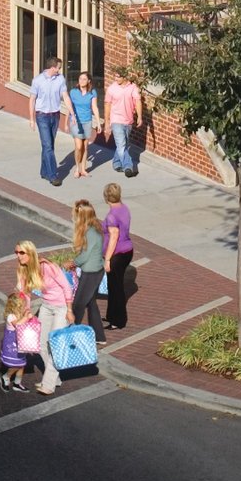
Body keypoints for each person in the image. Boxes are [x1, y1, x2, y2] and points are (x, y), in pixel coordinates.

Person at [14, 239, 73, 395]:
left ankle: (48, 384)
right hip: (46, 307)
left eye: (21, 252)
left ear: (30, 252)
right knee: (40, 344)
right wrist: (26, 312)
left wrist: (69, 310)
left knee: (54, 344)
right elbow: (25, 294)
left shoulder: (48, 267)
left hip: (61, 308)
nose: (18, 256)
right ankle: (55, 379)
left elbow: (66, 287)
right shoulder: (23, 270)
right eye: (16, 252)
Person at [70, 197, 108, 341]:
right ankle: (99, 336)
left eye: (76, 214)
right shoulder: (93, 228)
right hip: (95, 271)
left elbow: (84, 256)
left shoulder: (90, 233)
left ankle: (71, 333)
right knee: (91, 304)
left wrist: (73, 262)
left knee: (78, 305)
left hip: (91, 273)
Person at [29, 58, 69, 181]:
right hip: (42, 116)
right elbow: (32, 100)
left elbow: (65, 96)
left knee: (49, 145)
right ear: (53, 67)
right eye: (58, 67)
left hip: (55, 115)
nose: (60, 70)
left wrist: (71, 111)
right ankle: (53, 175)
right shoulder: (38, 80)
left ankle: (44, 171)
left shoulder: (60, 79)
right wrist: (32, 119)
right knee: (48, 146)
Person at [102, 181, 134, 330]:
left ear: (106, 197)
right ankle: (111, 315)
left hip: (118, 254)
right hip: (128, 250)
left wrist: (107, 259)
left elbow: (113, 237)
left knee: (116, 288)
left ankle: (118, 320)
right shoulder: (124, 208)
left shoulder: (111, 216)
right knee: (113, 285)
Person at [103, 72, 142, 178]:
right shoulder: (111, 88)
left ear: (125, 77)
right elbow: (107, 105)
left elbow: (137, 101)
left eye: (118, 76)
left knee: (123, 144)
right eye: (115, 76)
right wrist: (107, 121)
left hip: (128, 120)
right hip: (116, 119)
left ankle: (116, 163)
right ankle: (128, 167)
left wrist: (139, 116)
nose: (115, 78)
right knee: (121, 144)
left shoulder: (133, 87)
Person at [0, 291, 37, 393]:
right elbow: (18, 325)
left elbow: (26, 317)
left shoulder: (20, 313)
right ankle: (6, 377)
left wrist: (30, 317)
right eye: (23, 305)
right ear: (16, 306)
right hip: (12, 344)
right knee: (16, 364)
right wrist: (25, 318)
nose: (24, 306)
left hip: (20, 342)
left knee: (22, 364)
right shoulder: (11, 316)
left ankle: (17, 383)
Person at [69, 71, 104, 178]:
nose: (81, 81)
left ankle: (83, 169)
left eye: (84, 79)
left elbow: (94, 107)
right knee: (78, 147)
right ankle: (77, 168)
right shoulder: (73, 92)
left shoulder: (92, 92)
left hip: (87, 121)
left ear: (89, 81)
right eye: (80, 79)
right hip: (76, 122)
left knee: (85, 146)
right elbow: (69, 107)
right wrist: (68, 120)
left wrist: (98, 123)